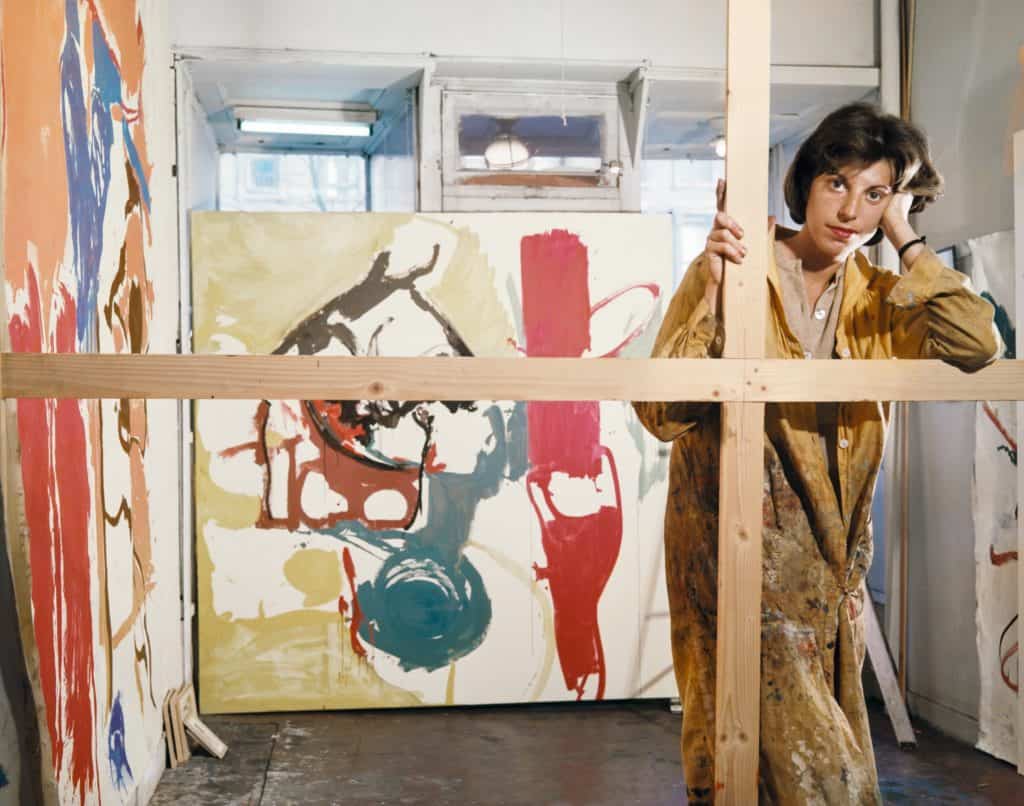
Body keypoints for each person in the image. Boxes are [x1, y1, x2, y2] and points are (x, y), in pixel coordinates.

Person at [633, 102, 1000, 805]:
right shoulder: (736, 268)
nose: (850, 210)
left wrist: (902, 231)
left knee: (796, 771)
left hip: (828, 578)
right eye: (837, 183)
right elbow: (661, 414)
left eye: (873, 194)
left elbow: (977, 344)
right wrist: (710, 291)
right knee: (790, 774)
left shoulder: (882, 301)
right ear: (804, 182)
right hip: (730, 556)